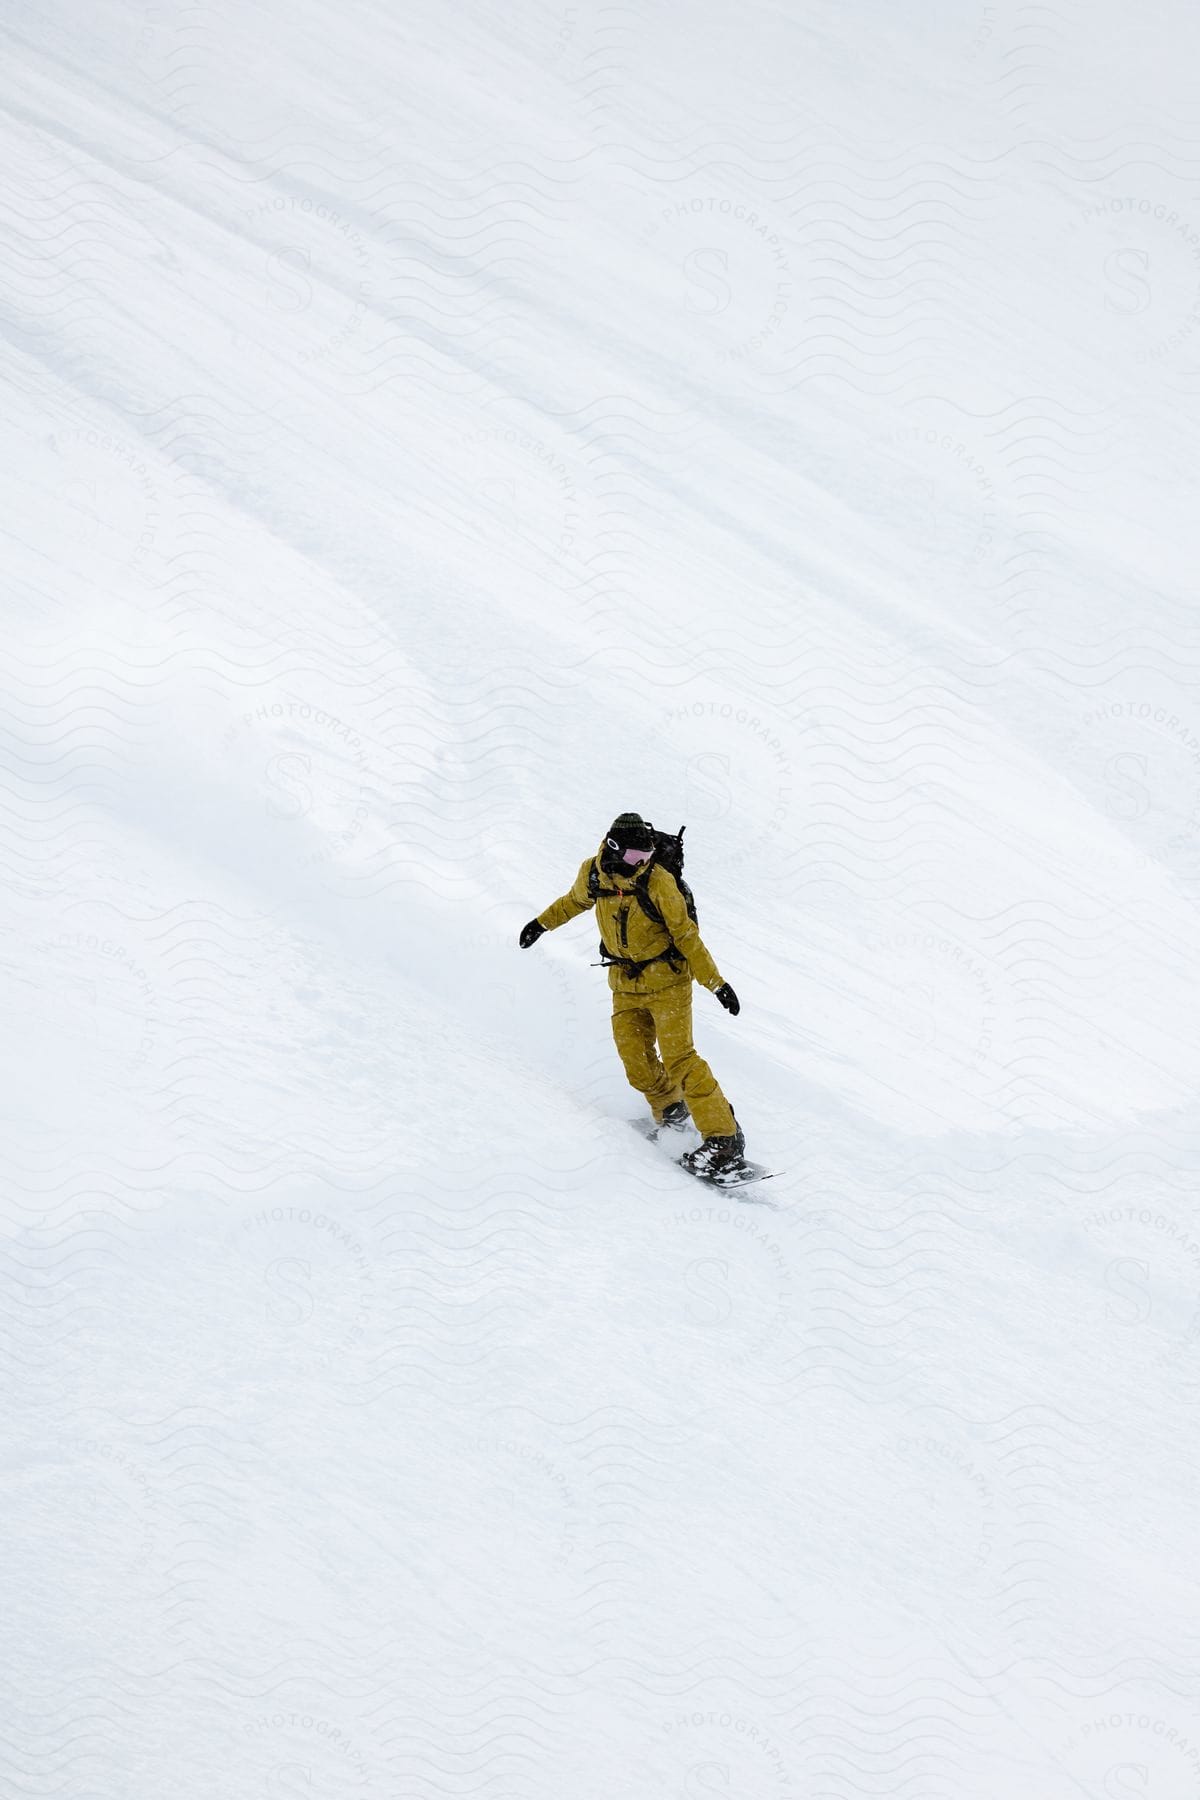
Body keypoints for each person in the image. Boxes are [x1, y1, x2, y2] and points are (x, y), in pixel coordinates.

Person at [518, 812, 746, 1176]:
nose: (641, 865)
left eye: (646, 858)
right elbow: (573, 902)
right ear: (613, 848)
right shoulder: (593, 873)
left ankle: (724, 1139)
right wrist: (540, 924)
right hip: (625, 984)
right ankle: (671, 1108)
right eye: (633, 859)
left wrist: (716, 983)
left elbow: (686, 936)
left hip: (668, 983)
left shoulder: (658, 882)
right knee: (636, 1064)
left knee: (680, 1060)